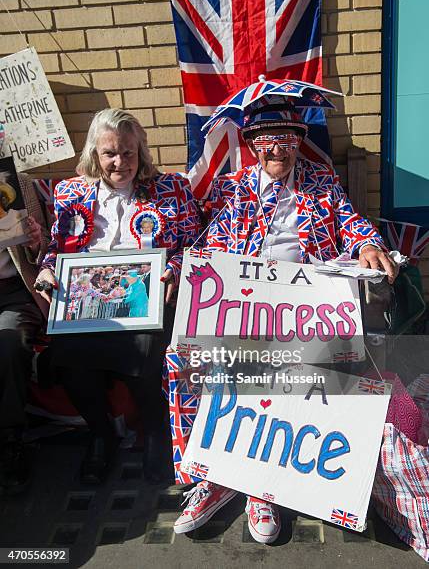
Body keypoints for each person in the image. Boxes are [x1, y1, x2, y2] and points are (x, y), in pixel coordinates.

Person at [173, 103, 398, 543]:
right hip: (249, 302)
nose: (279, 150)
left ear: (298, 143)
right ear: (254, 146)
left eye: (288, 140)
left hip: (309, 305)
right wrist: (184, 269)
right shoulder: (235, 188)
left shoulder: (320, 183)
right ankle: (215, 473)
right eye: (268, 141)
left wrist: (368, 244)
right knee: (186, 355)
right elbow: (213, 240)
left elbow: (351, 223)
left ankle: (263, 485)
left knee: (285, 360)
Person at [35, 108, 202, 485]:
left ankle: (158, 434)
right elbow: (58, 249)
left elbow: (194, 242)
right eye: (110, 153)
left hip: (147, 299)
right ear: (94, 153)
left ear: (141, 152)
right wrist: (47, 269)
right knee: (67, 357)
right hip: (85, 302)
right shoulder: (70, 191)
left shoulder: (171, 189)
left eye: (129, 152)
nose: (120, 162)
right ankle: (101, 434)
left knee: (145, 348)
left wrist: (174, 268)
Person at [0, 172, 49, 493]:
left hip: (16, 291)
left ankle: (9, 440)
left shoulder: (20, 184)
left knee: (7, 342)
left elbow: (47, 249)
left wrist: (36, 241)